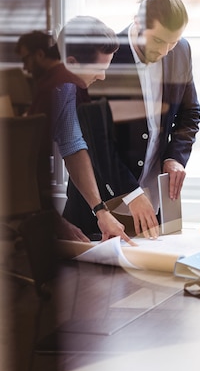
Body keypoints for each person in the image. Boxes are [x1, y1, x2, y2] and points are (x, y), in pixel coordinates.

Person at [15, 23, 133, 244]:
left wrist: (101, 211)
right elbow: (21, 166)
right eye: (99, 68)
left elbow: (72, 145)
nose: (102, 77)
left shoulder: (68, 87)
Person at [110, 0, 200, 237]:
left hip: (155, 204)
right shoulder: (107, 58)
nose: (164, 51)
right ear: (138, 23)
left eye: (172, 42)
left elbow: (189, 113)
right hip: (106, 205)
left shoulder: (181, 51)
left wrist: (175, 157)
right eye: (158, 40)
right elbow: (97, 144)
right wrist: (130, 191)